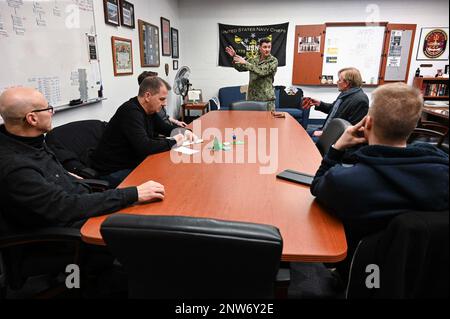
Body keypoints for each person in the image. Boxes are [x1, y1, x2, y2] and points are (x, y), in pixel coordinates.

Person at [310, 82, 449, 277]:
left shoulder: (349, 181)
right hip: (425, 274)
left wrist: (337, 147)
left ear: (367, 122)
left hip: (361, 270)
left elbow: (317, 186)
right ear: (414, 125)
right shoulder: (442, 170)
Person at [0, 87, 166, 233]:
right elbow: (65, 207)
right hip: (67, 231)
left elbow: (45, 177)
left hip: (81, 202)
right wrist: (133, 193)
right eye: (48, 108)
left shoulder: (29, 141)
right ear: (32, 119)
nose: (52, 112)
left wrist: (63, 174)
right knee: (149, 229)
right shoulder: (16, 167)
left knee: (151, 212)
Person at [91, 76, 197, 187]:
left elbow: (165, 128)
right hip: (112, 171)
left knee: (169, 173)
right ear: (147, 96)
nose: (165, 103)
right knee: (163, 181)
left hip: (131, 163)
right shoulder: (130, 112)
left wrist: (185, 132)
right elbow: (145, 147)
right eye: (161, 99)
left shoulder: (148, 110)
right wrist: (174, 141)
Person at [302, 67, 369, 140]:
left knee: (302, 139)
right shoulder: (345, 94)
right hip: (326, 131)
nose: (337, 82)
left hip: (334, 138)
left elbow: (352, 129)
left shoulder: (360, 100)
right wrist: (319, 104)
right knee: (300, 134)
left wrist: (325, 134)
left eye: (339, 80)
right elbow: (334, 110)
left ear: (347, 83)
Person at [225, 38, 278, 111]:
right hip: (253, 98)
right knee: (252, 121)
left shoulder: (273, 61)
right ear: (260, 47)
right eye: (265, 47)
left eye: (269, 47)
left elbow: (262, 72)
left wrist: (246, 63)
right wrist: (234, 57)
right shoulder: (253, 60)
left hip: (266, 98)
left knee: (268, 121)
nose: (267, 49)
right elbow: (240, 68)